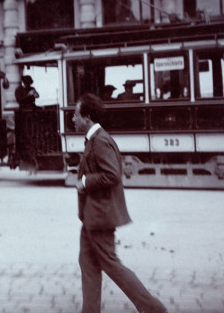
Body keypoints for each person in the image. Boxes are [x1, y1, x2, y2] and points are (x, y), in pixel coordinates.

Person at [73, 93, 168, 313]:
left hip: (100, 216)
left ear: (87, 117)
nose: (73, 119)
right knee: (88, 264)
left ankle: (153, 308)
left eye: (75, 115)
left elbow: (112, 175)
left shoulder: (100, 141)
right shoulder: (96, 139)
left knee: (111, 264)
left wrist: (85, 181)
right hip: (92, 215)